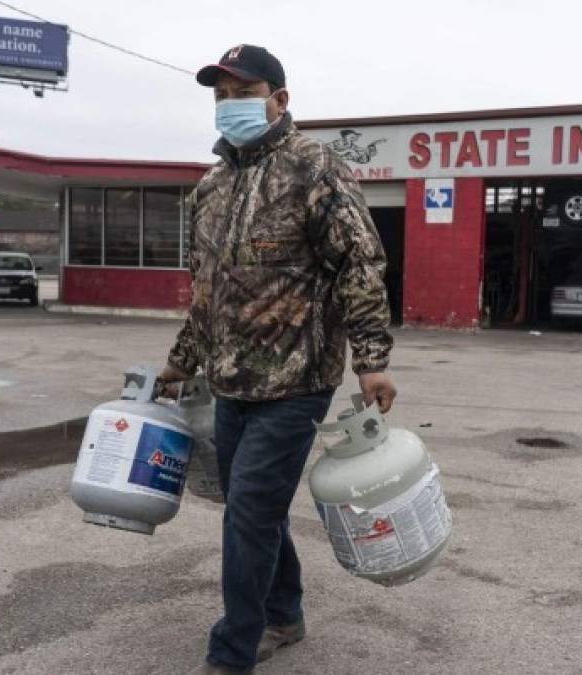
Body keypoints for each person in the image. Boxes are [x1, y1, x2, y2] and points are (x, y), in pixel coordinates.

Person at [159, 44, 397, 674]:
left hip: (297, 380)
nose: (230, 105)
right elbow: (206, 292)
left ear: (279, 99)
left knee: (246, 514)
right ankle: (284, 613)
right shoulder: (210, 186)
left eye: (243, 92)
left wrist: (371, 358)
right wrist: (180, 362)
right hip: (231, 381)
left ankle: (233, 650)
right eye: (221, 95)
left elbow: (359, 264)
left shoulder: (314, 168)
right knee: (252, 509)